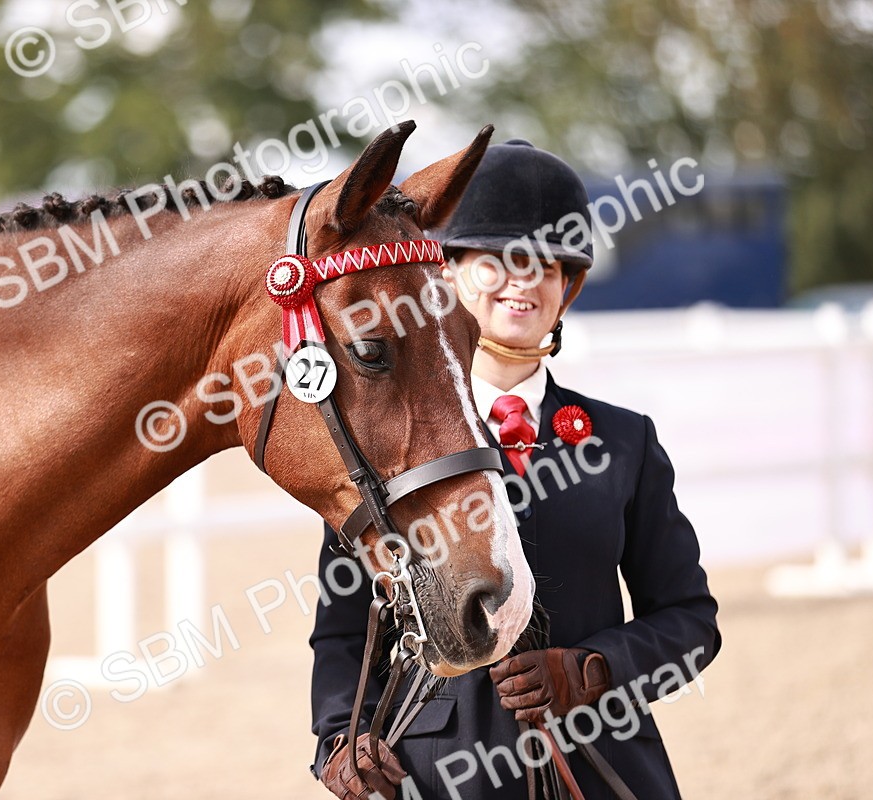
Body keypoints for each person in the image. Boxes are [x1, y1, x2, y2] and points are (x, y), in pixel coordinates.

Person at [309, 140, 721, 799]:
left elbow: (690, 622)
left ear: (568, 288)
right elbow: (341, 633)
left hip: (595, 758)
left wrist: (592, 671)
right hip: (436, 767)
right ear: (449, 276)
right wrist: (340, 737)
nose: (525, 279)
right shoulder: (386, 440)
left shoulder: (625, 441)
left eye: (548, 266)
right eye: (499, 260)